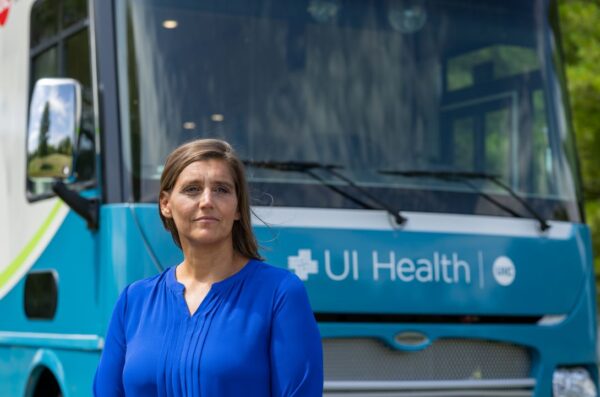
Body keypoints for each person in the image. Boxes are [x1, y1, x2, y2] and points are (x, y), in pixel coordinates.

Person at [93, 139, 323, 396]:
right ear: (165, 204)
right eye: (192, 189)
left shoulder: (279, 293)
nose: (207, 201)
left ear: (237, 208)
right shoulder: (133, 301)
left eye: (221, 190)